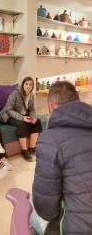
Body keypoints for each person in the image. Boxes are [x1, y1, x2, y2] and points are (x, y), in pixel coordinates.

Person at [31, 81, 92, 234]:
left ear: (51, 106)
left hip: (78, 228)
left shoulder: (49, 139)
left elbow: (46, 211)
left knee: (30, 207)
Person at [0, 77, 42, 161]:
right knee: (21, 124)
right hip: (8, 115)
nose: (28, 86)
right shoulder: (15, 93)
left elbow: (32, 109)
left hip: (21, 114)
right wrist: (22, 118)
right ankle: (24, 151)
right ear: (23, 85)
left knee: (37, 122)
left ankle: (32, 148)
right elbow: (8, 109)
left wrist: (33, 117)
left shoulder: (31, 95)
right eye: (26, 84)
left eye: (30, 84)